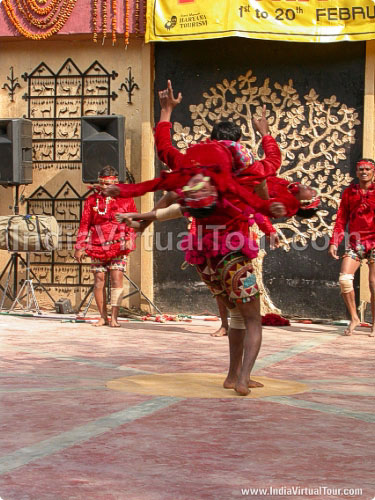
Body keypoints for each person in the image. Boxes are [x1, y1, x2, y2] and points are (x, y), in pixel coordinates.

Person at [74, 166, 137, 327]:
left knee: (117, 279)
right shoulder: (91, 201)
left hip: (118, 244)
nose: (106, 188)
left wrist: (130, 238)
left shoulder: (127, 199)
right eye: (103, 184)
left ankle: (115, 317)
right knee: (99, 280)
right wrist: (79, 247)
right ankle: (103, 316)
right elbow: (84, 225)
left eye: (110, 184)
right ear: (99, 183)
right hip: (97, 245)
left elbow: (133, 221)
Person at [328, 158, 375, 337]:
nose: (364, 172)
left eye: (367, 169)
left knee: (373, 284)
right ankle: (355, 317)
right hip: (356, 242)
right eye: (360, 169)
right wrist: (334, 242)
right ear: (356, 172)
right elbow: (341, 219)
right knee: (345, 280)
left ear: (373, 172)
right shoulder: (349, 193)